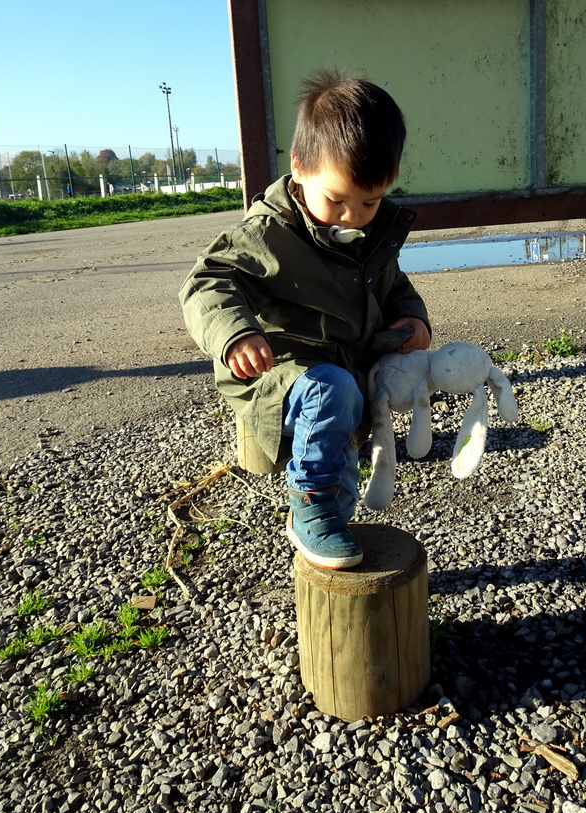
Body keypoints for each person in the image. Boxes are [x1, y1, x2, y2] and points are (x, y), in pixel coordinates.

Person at [179, 70, 431, 569]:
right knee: (332, 391)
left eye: (370, 201)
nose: (352, 215)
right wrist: (236, 334)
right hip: (276, 368)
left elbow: (393, 285)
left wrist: (412, 317)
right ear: (299, 169)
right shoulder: (268, 233)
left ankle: (332, 502)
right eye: (336, 199)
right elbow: (207, 283)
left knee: (344, 418)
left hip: (344, 363)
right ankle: (309, 509)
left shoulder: (371, 232)